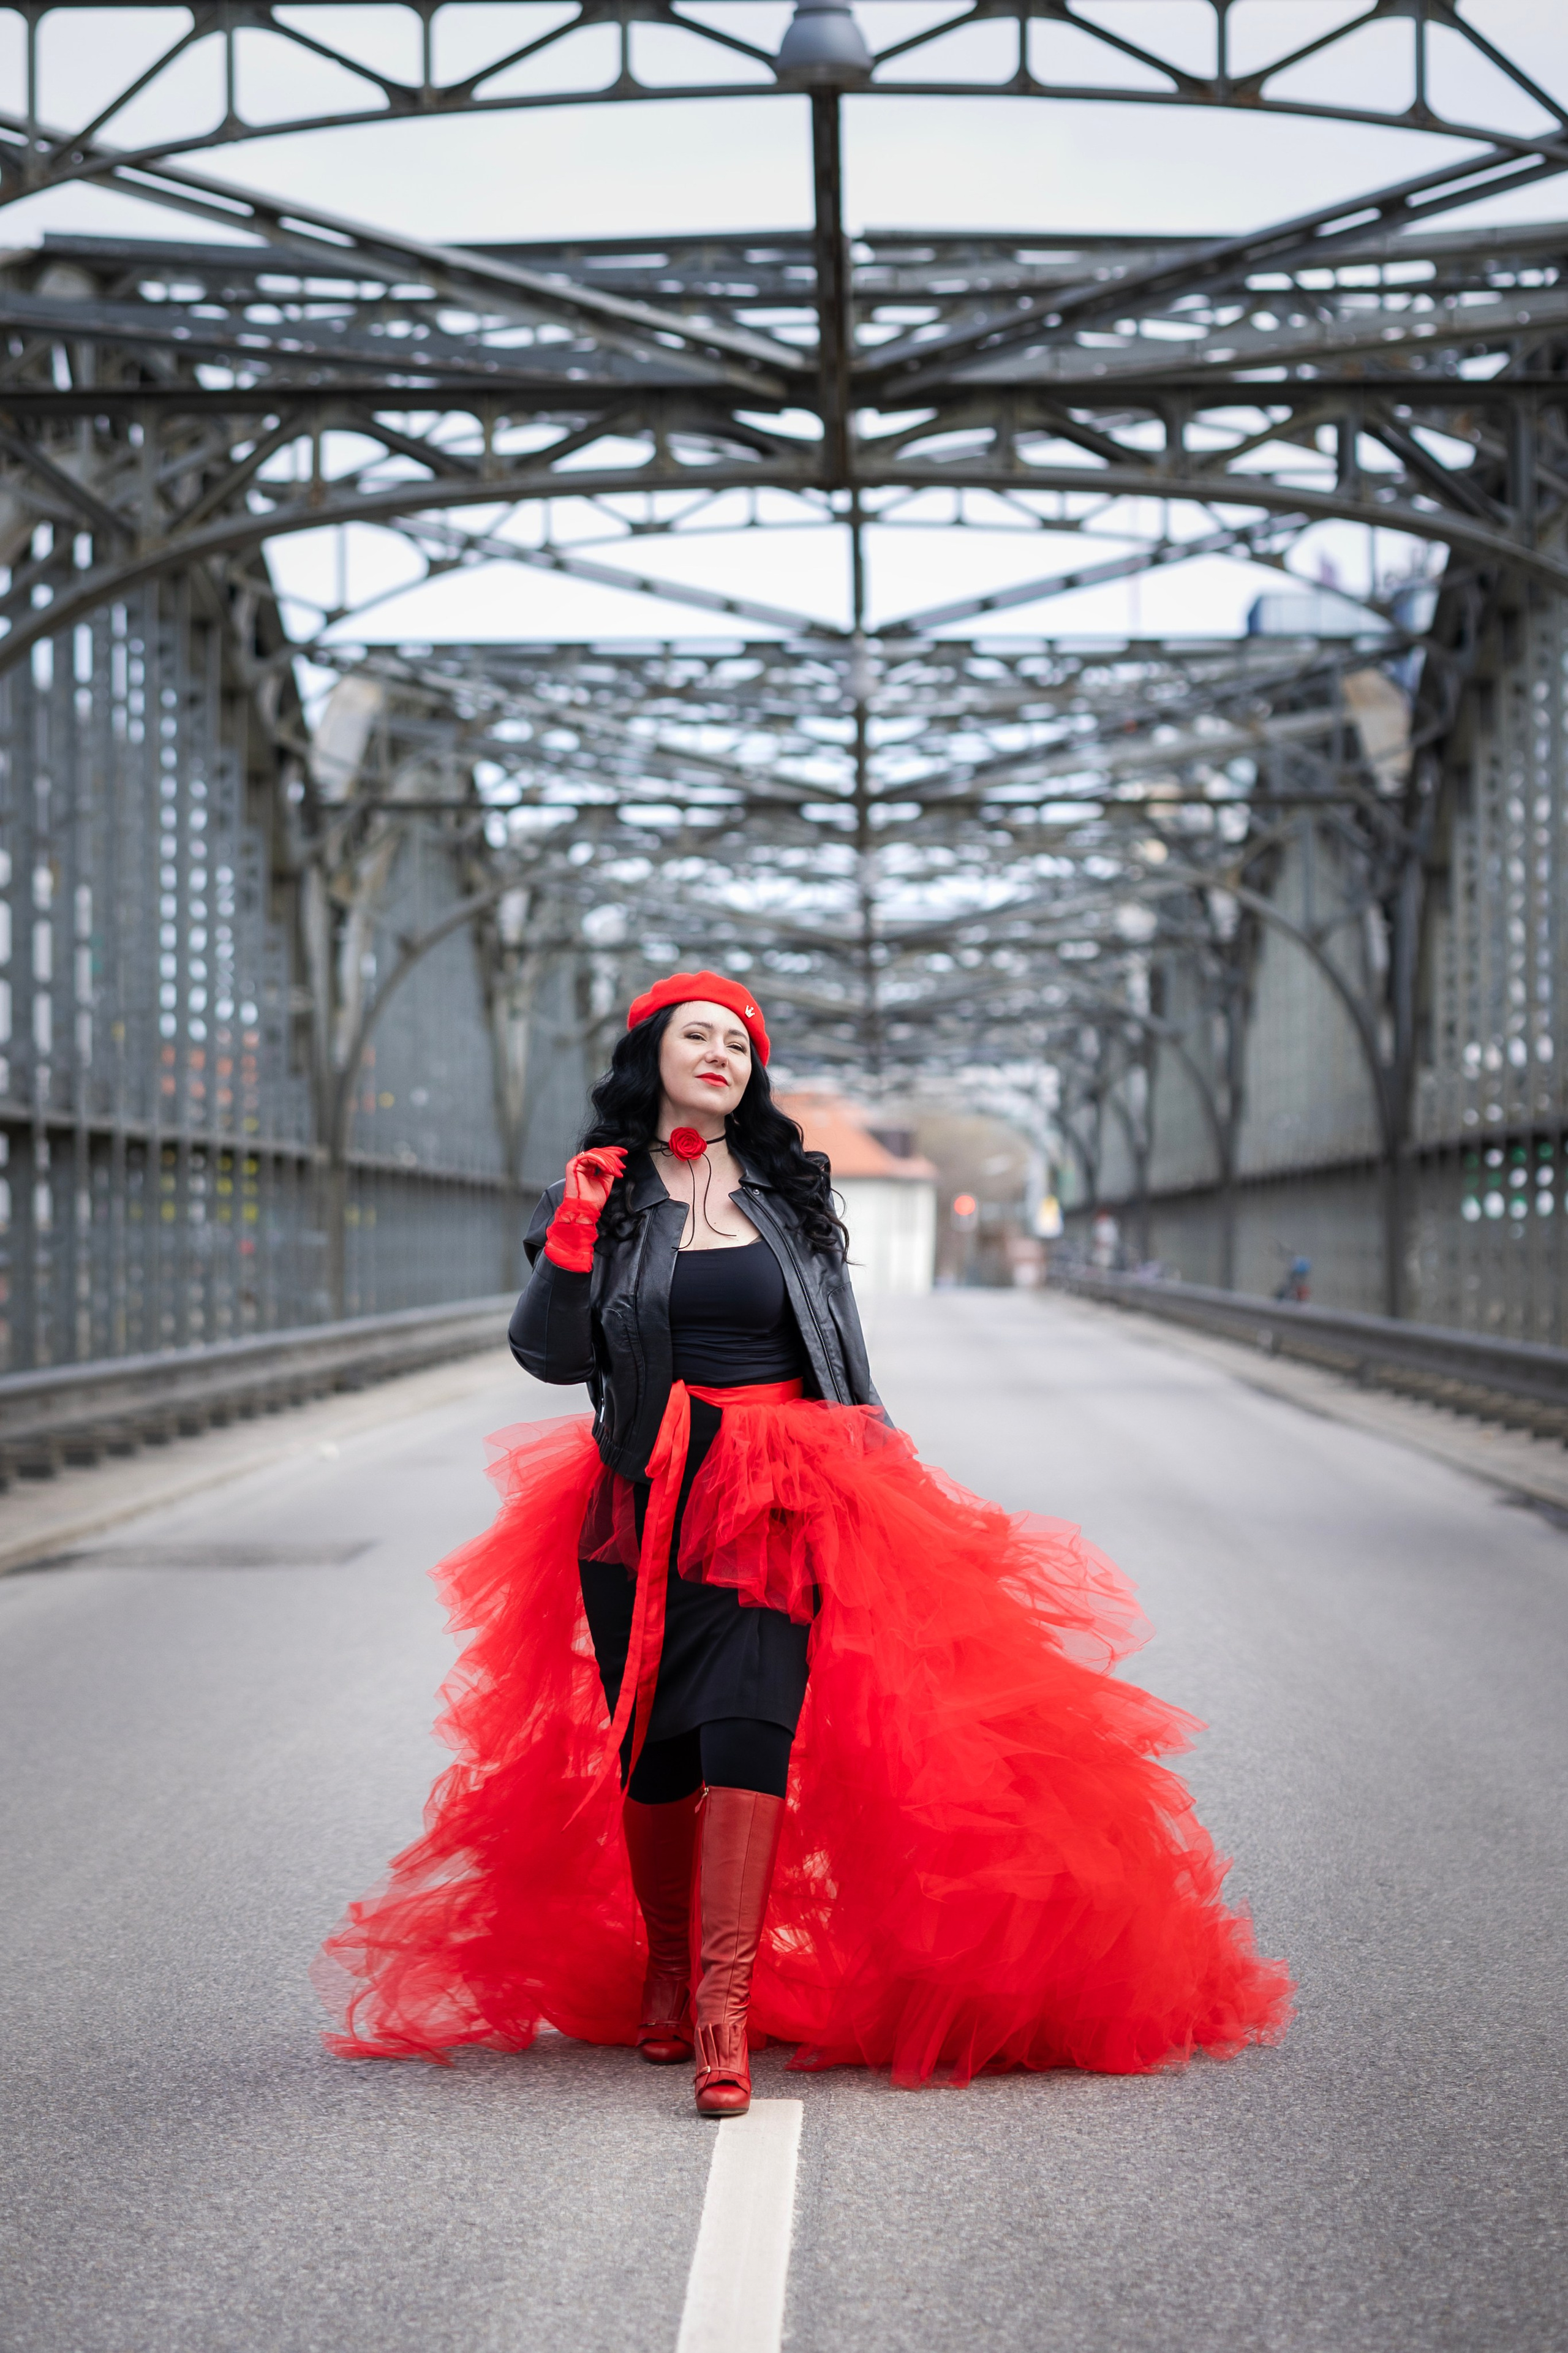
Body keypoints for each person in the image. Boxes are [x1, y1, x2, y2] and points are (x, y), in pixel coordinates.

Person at [315, 972, 1291, 2113]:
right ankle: (670, 1969)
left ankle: (724, 2011)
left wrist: (890, 1489)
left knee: (750, 1732)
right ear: (652, 1054)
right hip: (643, 1494)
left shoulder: (792, 1188)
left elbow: (846, 1355)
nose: (722, 1051)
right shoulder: (603, 1193)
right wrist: (576, 1232)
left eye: (740, 1040)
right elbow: (546, 1353)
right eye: (699, 1033)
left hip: (785, 1488)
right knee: (655, 1755)